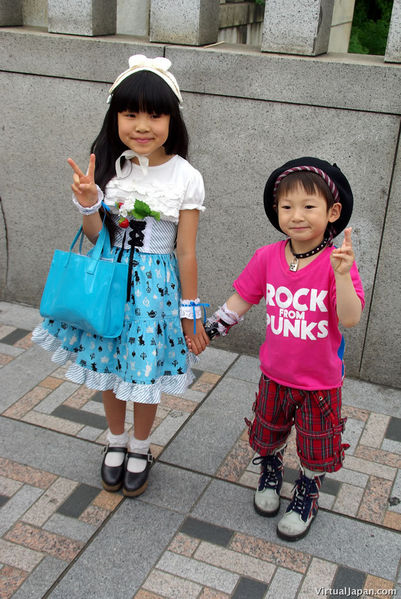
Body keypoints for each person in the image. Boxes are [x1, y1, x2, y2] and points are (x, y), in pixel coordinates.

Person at [33, 54, 209, 497]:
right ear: (116, 117)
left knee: (144, 376)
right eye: (130, 114)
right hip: (110, 285)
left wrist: (190, 313)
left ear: (172, 119)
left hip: (155, 293)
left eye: (155, 113)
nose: (142, 125)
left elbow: (185, 251)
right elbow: (98, 237)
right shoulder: (113, 166)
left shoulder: (187, 177)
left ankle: (140, 445)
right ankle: (114, 440)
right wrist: (90, 200)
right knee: (109, 368)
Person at [196, 157, 364, 541]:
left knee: (315, 446)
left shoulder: (337, 262)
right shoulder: (268, 256)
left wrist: (341, 277)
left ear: (332, 211)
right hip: (274, 374)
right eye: (286, 206)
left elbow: (350, 319)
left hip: (320, 382)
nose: (296, 215)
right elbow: (240, 301)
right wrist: (208, 331)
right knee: (268, 431)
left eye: (309, 206)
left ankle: (308, 488)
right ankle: (270, 470)